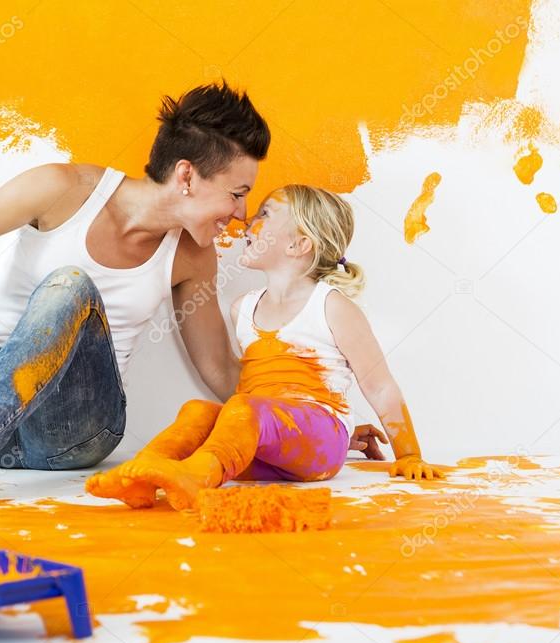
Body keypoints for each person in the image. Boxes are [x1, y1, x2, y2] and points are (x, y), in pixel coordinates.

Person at [0, 82, 272, 522]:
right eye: (237, 193)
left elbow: (219, 367)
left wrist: (308, 414)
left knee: (70, 285)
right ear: (186, 175)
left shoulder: (193, 255)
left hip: (72, 429)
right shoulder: (63, 188)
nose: (241, 211)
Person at [87, 185, 444, 511]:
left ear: (298, 245)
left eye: (264, 215)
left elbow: (379, 386)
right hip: (265, 448)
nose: (247, 223)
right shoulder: (243, 307)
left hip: (320, 439)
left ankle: (196, 477)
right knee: (198, 410)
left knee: (242, 405)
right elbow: (268, 406)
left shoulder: (332, 305)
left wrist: (409, 454)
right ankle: (143, 474)